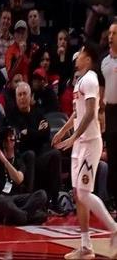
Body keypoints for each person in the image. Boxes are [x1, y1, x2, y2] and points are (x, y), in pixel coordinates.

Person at [53, 44, 117, 260]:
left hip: (89, 142)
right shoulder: (80, 80)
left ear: (88, 59)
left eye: (80, 54)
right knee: (78, 194)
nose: (77, 57)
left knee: (84, 193)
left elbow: (90, 113)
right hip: (80, 143)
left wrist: (73, 137)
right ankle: (86, 246)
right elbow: (77, 113)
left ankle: (114, 227)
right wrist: (63, 131)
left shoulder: (90, 79)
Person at [101, 22, 117, 216]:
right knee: (113, 159)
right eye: (110, 33)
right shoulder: (104, 62)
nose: (111, 36)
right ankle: (113, 199)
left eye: (115, 33)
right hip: (110, 113)